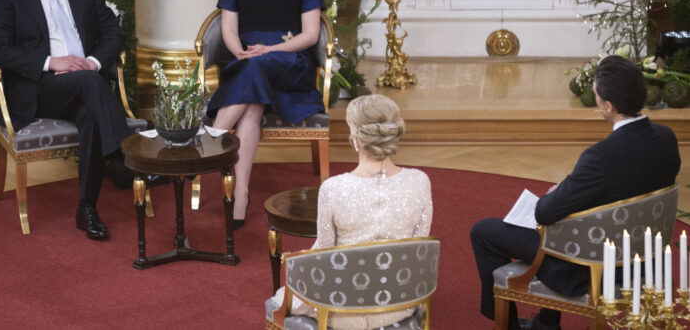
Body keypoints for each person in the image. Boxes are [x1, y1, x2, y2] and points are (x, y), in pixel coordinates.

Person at [470, 55, 681, 330]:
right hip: (643, 257)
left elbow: (544, 213)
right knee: (571, 216)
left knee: (485, 231)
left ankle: (507, 324)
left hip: (593, 264)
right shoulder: (666, 138)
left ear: (608, 105)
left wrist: (560, 192)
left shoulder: (601, 157)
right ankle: (547, 321)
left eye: (596, 94)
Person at [0, 0, 153, 241]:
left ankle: (87, 208)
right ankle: (126, 158)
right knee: (91, 85)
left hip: (84, 85)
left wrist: (90, 62)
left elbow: (112, 33)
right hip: (41, 89)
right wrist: (51, 61)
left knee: (91, 108)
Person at [208, 0, 326, 229]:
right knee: (253, 101)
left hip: (289, 60)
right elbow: (229, 27)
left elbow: (310, 35)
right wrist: (241, 54)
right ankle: (240, 194)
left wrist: (267, 51)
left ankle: (209, 141)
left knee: (257, 71)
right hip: (246, 59)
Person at [273, 94, 433, 329]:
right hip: (399, 303)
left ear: (355, 137)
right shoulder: (420, 181)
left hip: (342, 310)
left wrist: (296, 263)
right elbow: (419, 247)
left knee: (279, 297)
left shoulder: (333, 188)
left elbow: (323, 255)